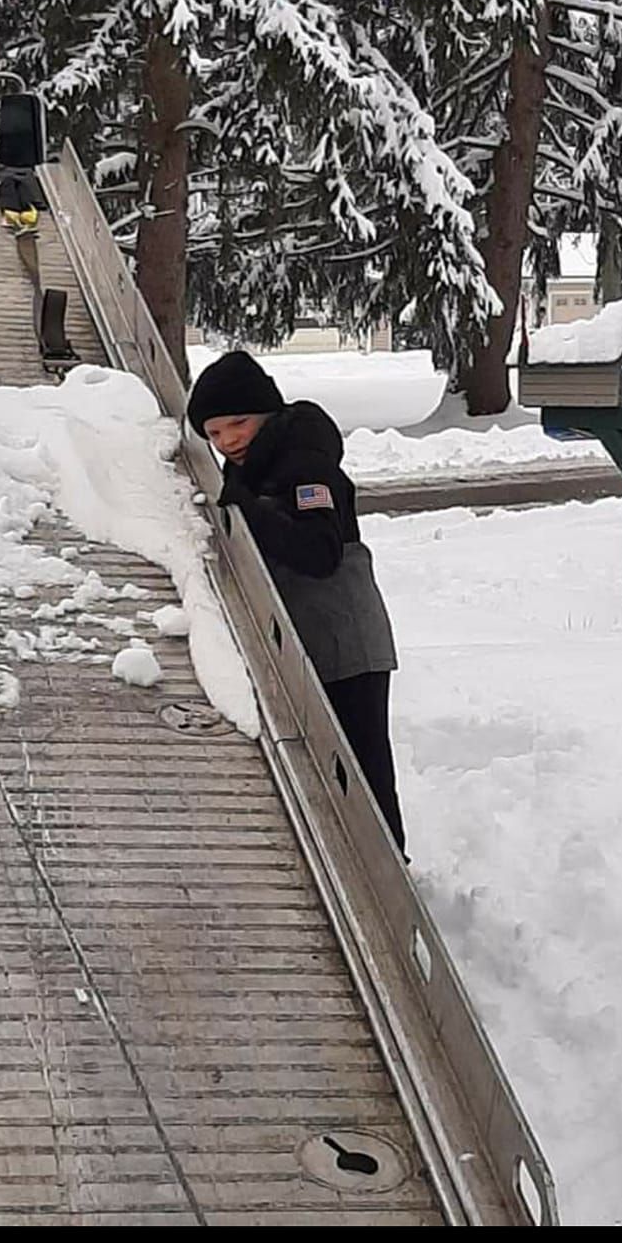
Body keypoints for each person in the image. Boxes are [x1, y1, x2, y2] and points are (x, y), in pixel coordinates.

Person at [186, 349, 410, 864]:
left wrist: (247, 511)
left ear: (267, 412)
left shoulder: (305, 462)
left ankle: (390, 877)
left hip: (345, 639)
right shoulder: (255, 467)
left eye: (238, 423)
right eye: (215, 434)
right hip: (305, 637)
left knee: (363, 773)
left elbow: (319, 551)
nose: (229, 441)